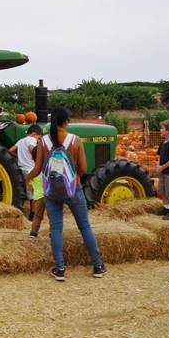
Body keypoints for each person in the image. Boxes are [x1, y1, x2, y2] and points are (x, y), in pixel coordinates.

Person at [26, 107, 106, 281]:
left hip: (51, 191)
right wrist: (74, 177)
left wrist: (27, 177)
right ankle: (98, 266)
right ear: (66, 121)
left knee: (56, 228)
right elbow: (84, 169)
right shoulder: (75, 140)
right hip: (73, 189)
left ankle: (60, 269)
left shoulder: (43, 142)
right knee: (84, 227)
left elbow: (38, 169)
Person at [9, 124, 43, 216]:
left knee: (23, 191)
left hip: (21, 169)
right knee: (33, 192)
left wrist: (18, 157)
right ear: (35, 134)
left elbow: (10, 150)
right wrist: (37, 157)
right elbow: (31, 148)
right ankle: (33, 213)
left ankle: (19, 210)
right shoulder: (32, 140)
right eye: (39, 138)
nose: (38, 140)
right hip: (30, 169)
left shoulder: (21, 141)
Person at [28, 145, 46, 238]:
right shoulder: (47, 170)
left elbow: (30, 186)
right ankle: (53, 232)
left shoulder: (31, 171)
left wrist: (35, 192)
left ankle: (34, 232)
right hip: (49, 196)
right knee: (52, 216)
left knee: (37, 216)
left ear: (32, 158)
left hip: (38, 196)